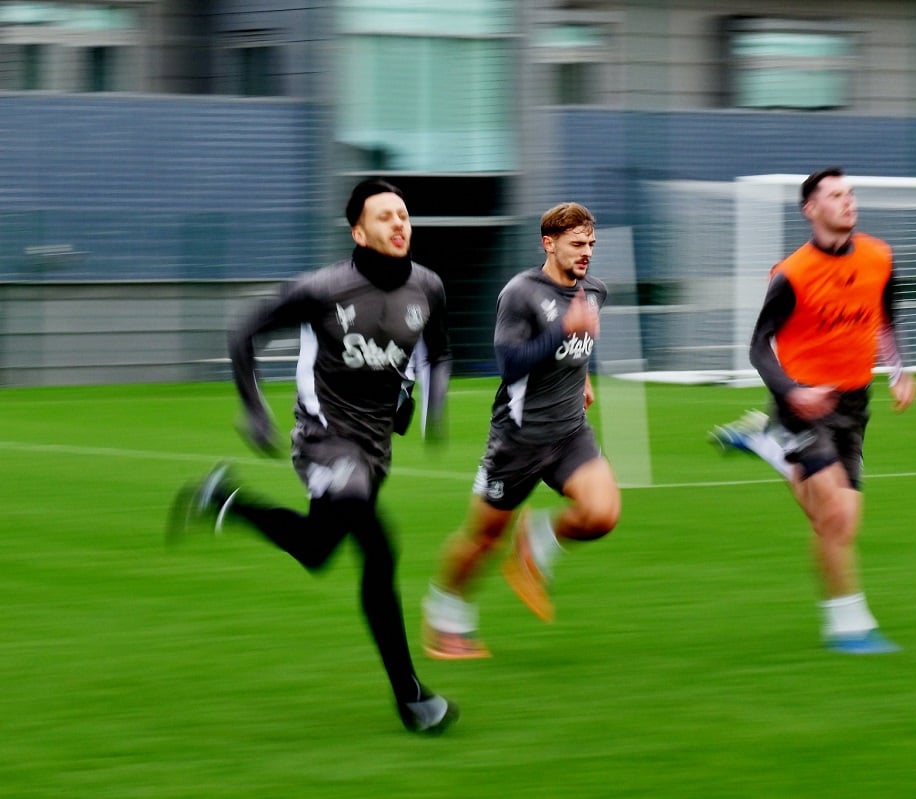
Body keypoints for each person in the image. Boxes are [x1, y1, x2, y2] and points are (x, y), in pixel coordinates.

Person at [168, 178, 458, 734]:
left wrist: (430, 405)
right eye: (384, 217)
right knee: (378, 546)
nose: (399, 224)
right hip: (324, 439)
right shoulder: (322, 288)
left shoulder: (429, 287)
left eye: (403, 214)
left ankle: (225, 500)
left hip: (373, 448)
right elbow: (243, 331)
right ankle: (412, 697)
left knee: (316, 548)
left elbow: (438, 352)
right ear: (358, 231)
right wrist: (255, 409)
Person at [709, 166, 916, 655]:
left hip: (853, 405)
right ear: (811, 209)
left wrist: (898, 371)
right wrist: (791, 392)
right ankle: (848, 626)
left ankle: (765, 444)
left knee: (838, 519)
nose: (848, 201)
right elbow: (759, 347)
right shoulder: (791, 274)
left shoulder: (880, 257)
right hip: (801, 403)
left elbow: (886, 319)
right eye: (835, 195)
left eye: (850, 193)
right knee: (835, 521)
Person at [421, 202, 620, 660]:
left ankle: (536, 542)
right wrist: (561, 333)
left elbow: (577, 347)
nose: (586, 252)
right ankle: (445, 616)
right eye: (576, 244)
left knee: (602, 513)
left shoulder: (595, 291)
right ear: (549, 244)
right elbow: (509, 364)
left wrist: (583, 376)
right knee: (484, 537)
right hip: (519, 439)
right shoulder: (520, 293)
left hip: (571, 431)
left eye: (591, 243)